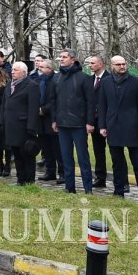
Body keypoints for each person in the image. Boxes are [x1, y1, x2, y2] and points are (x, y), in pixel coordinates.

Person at [98, 55, 138, 201]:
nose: (122, 66)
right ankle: (118, 191)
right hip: (113, 127)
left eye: (124, 64)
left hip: (133, 128)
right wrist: (102, 125)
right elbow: (102, 105)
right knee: (117, 163)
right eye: (118, 64)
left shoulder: (136, 82)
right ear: (112, 66)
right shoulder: (106, 82)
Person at [51, 49, 95, 194]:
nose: (61, 59)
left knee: (83, 158)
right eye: (60, 57)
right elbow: (53, 100)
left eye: (64, 57)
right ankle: (69, 188)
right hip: (62, 124)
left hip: (79, 124)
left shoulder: (84, 78)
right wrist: (54, 120)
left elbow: (90, 102)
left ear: (73, 59)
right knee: (66, 157)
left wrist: (89, 122)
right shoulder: (56, 78)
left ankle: (88, 188)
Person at [2, 62, 41, 185]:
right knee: (17, 155)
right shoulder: (9, 85)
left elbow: (33, 108)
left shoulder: (31, 85)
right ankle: (20, 179)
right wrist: (2, 122)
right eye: (12, 70)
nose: (12, 72)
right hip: (11, 126)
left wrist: (31, 127)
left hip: (24, 126)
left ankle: (29, 181)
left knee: (27, 154)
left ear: (24, 72)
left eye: (16, 70)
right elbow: (4, 105)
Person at [35, 58, 60, 181]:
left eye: (43, 67)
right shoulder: (39, 80)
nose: (40, 68)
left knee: (57, 148)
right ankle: (50, 172)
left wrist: (44, 109)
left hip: (51, 118)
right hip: (40, 120)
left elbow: (55, 99)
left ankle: (63, 173)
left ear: (50, 69)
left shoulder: (56, 80)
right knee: (46, 148)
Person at [86, 55, 109, 188]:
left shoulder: (109, 79)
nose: (90, 65)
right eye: (89, 63)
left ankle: (122, 180)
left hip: (108, 120)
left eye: (93, 63)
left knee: (115, 151)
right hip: (94, 120)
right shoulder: (90, 80)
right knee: (98, 150)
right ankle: (100, 178)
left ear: (101, 64)